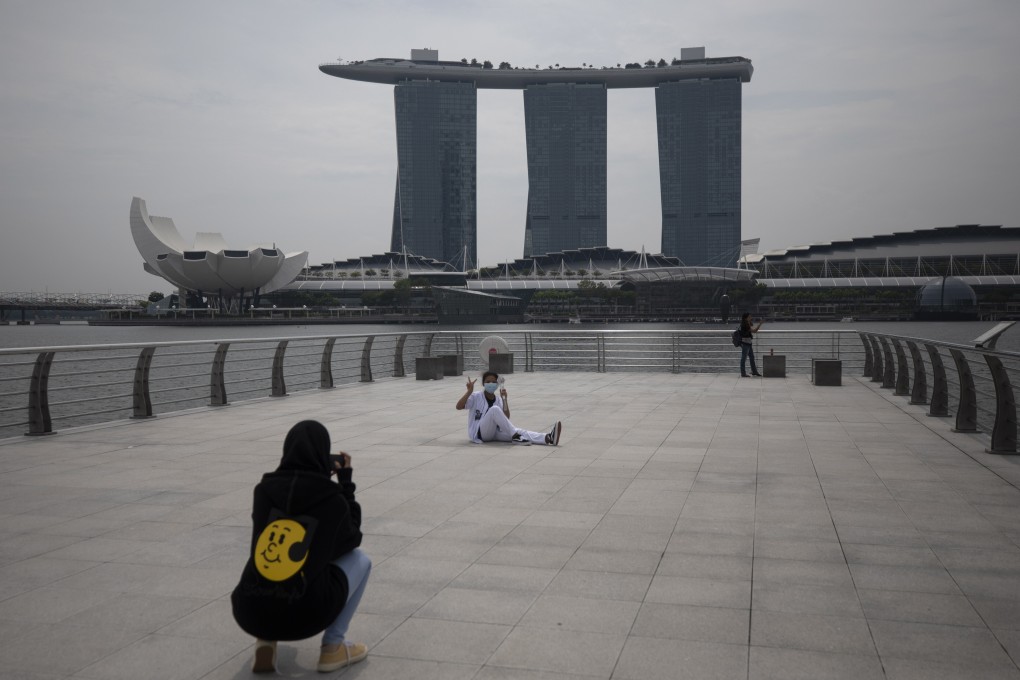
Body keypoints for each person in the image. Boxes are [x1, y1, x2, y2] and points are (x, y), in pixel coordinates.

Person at [231, 420, 371, 674]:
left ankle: (266, 640)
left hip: (249, 610)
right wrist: (345, 485)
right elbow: (352, 539)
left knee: (269, 555)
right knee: (361, 560)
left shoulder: (263, 491)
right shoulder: (330, 499)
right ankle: (332, 648)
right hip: (307, 615)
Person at [456, 371, 561, 445]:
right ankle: (515, 437)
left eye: (493, 382)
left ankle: (548, 438)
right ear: (483, 384)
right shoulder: (476, 396)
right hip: (479, 434)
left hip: (494, 433)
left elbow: (506, 418)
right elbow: (459, 406)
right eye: (488, 382)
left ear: (497, 384)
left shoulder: (498, 399)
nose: (490, 384)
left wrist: (505, 399)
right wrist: (469, 392)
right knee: (494, 410)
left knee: (520, 432)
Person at [739, 312, 764, 377]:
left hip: (748, 343)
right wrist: (760, 324)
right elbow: (754, 331)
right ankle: (743, 373)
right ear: (746, 317)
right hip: (745, 343)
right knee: (743, 358)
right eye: (750, 317)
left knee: (752, 357)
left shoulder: (746, 323)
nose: (751, 317)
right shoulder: (745, 324)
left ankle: (754, 371)